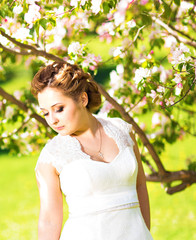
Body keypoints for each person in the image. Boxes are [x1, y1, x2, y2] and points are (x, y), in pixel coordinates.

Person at [31, 61, 153, 240]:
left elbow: (140, 186)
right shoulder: (51, 157)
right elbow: (49, 221)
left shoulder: (123, 131)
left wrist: (144, 233)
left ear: (82, 99)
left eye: (59, 109)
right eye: (46, 113)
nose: (53, 120)